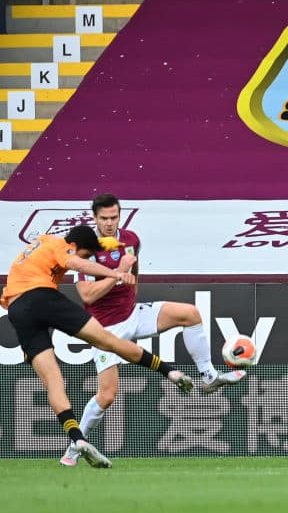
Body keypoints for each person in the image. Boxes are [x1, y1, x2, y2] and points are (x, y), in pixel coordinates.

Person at [59, 193, 246, 467]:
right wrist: (116, 275)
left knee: (190, 313)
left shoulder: (131, 240)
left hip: (133, 313)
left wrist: (131, 289)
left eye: (114, 217)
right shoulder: (86, 250)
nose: (110, 223)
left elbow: (134, 272)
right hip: (104, 329)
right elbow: (87, 296)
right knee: (108, 395)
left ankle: (208, 377)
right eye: (104, 218)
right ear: (94, 219)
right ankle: (73, 450)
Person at [2, 225, 194, 469]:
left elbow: (77, 249)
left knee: (53, 381)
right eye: (83, 253)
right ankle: (170, 372)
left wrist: (105, 247)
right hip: (41, 297)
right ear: (76, 247)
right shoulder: (64, 248)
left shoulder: (46, 240)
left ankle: (77, 439)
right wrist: (116, 274)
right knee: (108, 341)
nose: (81, 258)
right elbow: (78, 264)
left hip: (18, 310)